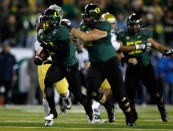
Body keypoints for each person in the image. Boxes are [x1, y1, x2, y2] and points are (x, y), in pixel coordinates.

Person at [70, 4, 136, 126]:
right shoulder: (84, 25)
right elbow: (78, 42)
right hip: (95, 64)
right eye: (85, 16)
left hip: (110, 63)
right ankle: (108, 106)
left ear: (95, 17)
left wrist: (71, 30)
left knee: (120, 95)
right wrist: (72, 38)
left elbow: (86, 37)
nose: (85, 19)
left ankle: (129, 118)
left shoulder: (103, 25)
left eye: (88, 16)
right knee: (92, 91)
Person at [37, 5, 93, 124]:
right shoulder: (42, 34)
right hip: (57, 64)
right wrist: (40, 57)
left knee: (77, 94)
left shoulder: (61, 30)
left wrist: (48, 46)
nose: (46, 22)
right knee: (48, 82)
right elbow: (48, 50)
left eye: (49, 19)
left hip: (70, 65)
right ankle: (53, 111)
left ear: (56, 20)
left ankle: (90, 112)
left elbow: (65, 51)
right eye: (45, 19)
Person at [117, 13, 173, 122]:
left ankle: (162, 110)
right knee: (130, 95)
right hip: (132, 68)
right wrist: (126, 59)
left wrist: (167, 51)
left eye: (136, 24)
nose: (134, 27)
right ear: (128, 25)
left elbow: (157, 46)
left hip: (146, 67)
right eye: (132, 25)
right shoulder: (122, 35)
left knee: (156, 93)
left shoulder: (145, 34)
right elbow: (116, 52)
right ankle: (132, 113)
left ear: (140, 24)